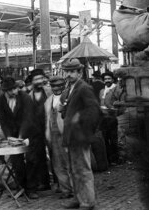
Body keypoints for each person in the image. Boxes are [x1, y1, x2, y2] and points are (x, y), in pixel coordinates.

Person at [60, 58, 102, 210]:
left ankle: (88, 202)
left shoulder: (84, 87)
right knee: (73, 169)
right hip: (71, 136)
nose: (69, 75)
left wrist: (79, 118)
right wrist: (65, 111)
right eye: (67, 71)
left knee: (83, 170)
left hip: (80, 137)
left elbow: (94, 110)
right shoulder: (72, 87)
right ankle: (78, 199)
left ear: (80, 72)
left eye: (72, 72)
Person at [0, 77, 39, 199]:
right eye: (12, 89)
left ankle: (31, 189)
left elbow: (28, 118)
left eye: (15, 88)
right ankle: (21, 187)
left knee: (31, 160)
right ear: (6, 91)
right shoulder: (0, 100)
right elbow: (3, 120)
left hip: (30, 131)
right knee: (16, 162)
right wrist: (9, 136)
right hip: (13, 134)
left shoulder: (25, 97)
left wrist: (21, 136)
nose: (15, 91)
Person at [44, 76, 73, 199]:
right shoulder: (48, 101)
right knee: (57, 164)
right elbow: (46, 119)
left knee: (70, 163)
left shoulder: (69, 98)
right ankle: (65, 190)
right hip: (53, 135)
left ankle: (75, 190)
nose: (57, 88)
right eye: (54, 86)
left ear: (64, 86)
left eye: (59, 86)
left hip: (67, 134)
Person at [28, 69, 52, 191]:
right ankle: (44, 182)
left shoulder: (49, 91)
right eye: (36, 79)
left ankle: (60, 182)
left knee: (55, 154)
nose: (39, 81)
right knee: (39, 155)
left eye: (41, 79)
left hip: (50, 127)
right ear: (32, 82)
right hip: (35, 130)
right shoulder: (29, 95)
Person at [99, 71, 122, 165]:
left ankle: (115, 159)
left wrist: (114, 110)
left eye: (109, 79)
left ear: (113, 79)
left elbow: (120, 102)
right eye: (105, 79)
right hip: (103, 118)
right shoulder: (101, 91)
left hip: (112, 117)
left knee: (113, 139)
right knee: (104, 138)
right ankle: (108, 159)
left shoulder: (116, 89)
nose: (107, 81)